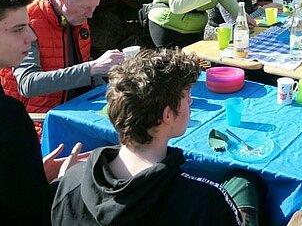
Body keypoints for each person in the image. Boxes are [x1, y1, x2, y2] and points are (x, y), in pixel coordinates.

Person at [52, 48, 260, 225]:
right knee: (243, 182)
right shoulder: (202, 202)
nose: (191, 103)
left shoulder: (70, 182)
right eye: (187, 97)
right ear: (167, 115)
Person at [0, 0, 84, 225]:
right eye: (18, 29)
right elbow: (31, 211)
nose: (31, 36)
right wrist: (64, 182)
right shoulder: (9, 116)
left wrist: (33, 172)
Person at [0, 0, 124, 122]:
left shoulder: (76, 15)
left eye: (93, 7)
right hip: (40, 118)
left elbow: (81, 63)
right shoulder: (28, 22)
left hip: (77, 106)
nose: (90, 15)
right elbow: (28, 84)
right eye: (85, 7)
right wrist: (92, 68)